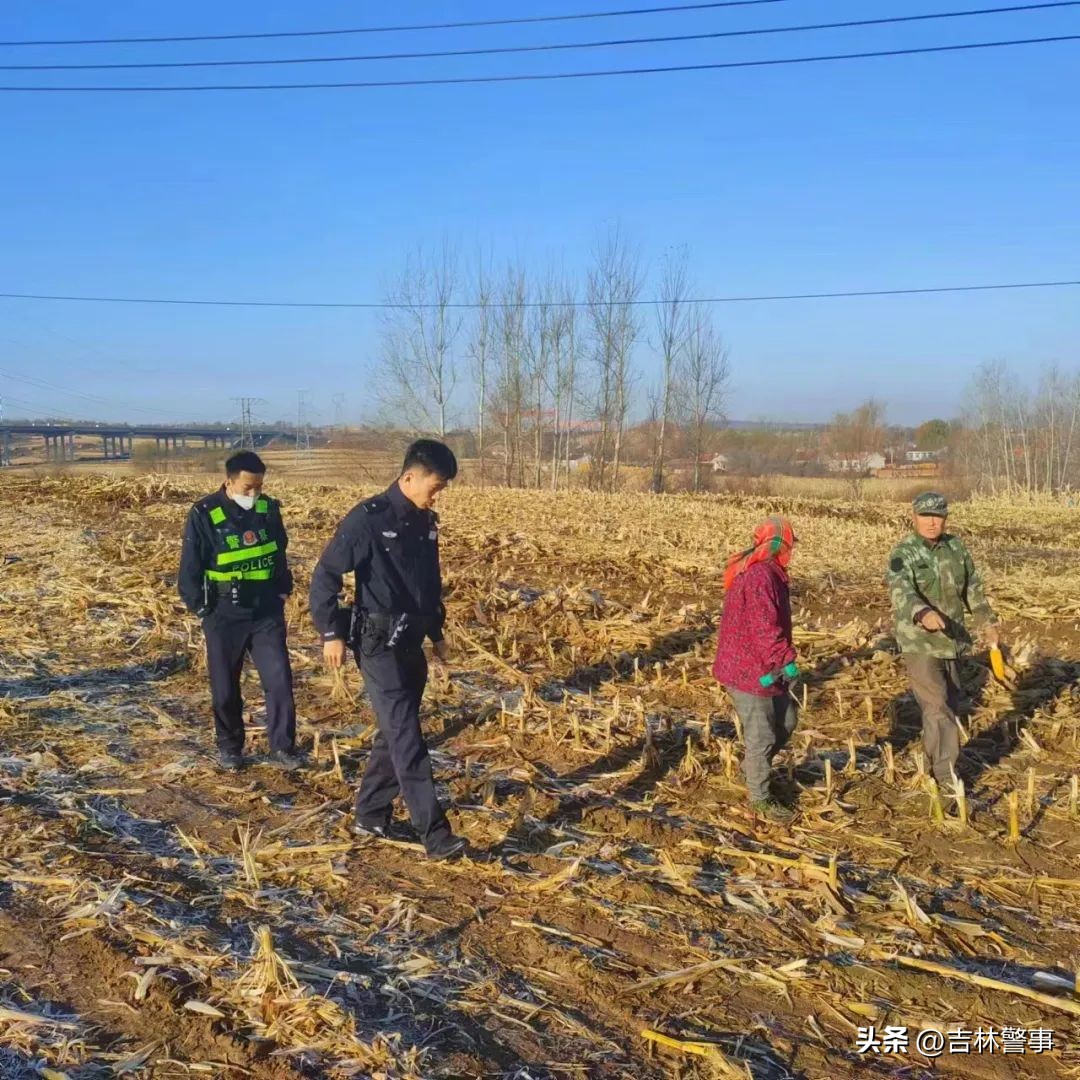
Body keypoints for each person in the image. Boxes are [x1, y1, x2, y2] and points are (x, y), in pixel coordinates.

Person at [309, 439, 466, 861]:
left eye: (443, 488)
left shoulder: (425, 523)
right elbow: (325, 575)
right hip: (376, 643)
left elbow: (427, 585)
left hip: (411, 639)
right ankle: (434, 833)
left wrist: (437, 635)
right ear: (409, 476)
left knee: (396, 731)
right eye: (435, 486)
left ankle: (371, 813)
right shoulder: (367, 519)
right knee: (407, 737)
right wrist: (330, 633)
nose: (438, 495)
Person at [177, 451, 302, 772]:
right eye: (247, 487)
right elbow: (190, 566)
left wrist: (283, 588)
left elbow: (279, 551)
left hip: (265, 612)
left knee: (279, 681)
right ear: (229, 481)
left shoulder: (268, 509)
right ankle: (230, 747)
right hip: (223, 613)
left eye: (259, 487)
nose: (254, 494)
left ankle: (283, 747)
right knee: (224, 685)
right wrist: (201, 607)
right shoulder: (205, 513)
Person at [887, 492, 998, 791]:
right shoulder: (904, 553)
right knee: (936, 705)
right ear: (914, 517)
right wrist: (922, 612)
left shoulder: (956, 547)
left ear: (946, 518)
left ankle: (932, 763)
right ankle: (947, 775)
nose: (931, 522)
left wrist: (986, 621)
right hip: (920, 643)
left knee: (949, 703)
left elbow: (972, 586)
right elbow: (901, 591)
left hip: (953, 642)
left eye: (937, 516)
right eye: (925, 516)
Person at [712, 515, 800, 821]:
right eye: (789, 544)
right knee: (762, 735)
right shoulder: (761, 576)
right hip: (750, 670)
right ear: (779, 545)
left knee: (786, 722)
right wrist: (785, 659)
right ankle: (760, 799)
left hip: (760, 665)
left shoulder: (768, 572)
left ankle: (753, 768)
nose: (792, 550)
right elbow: (765, 627)